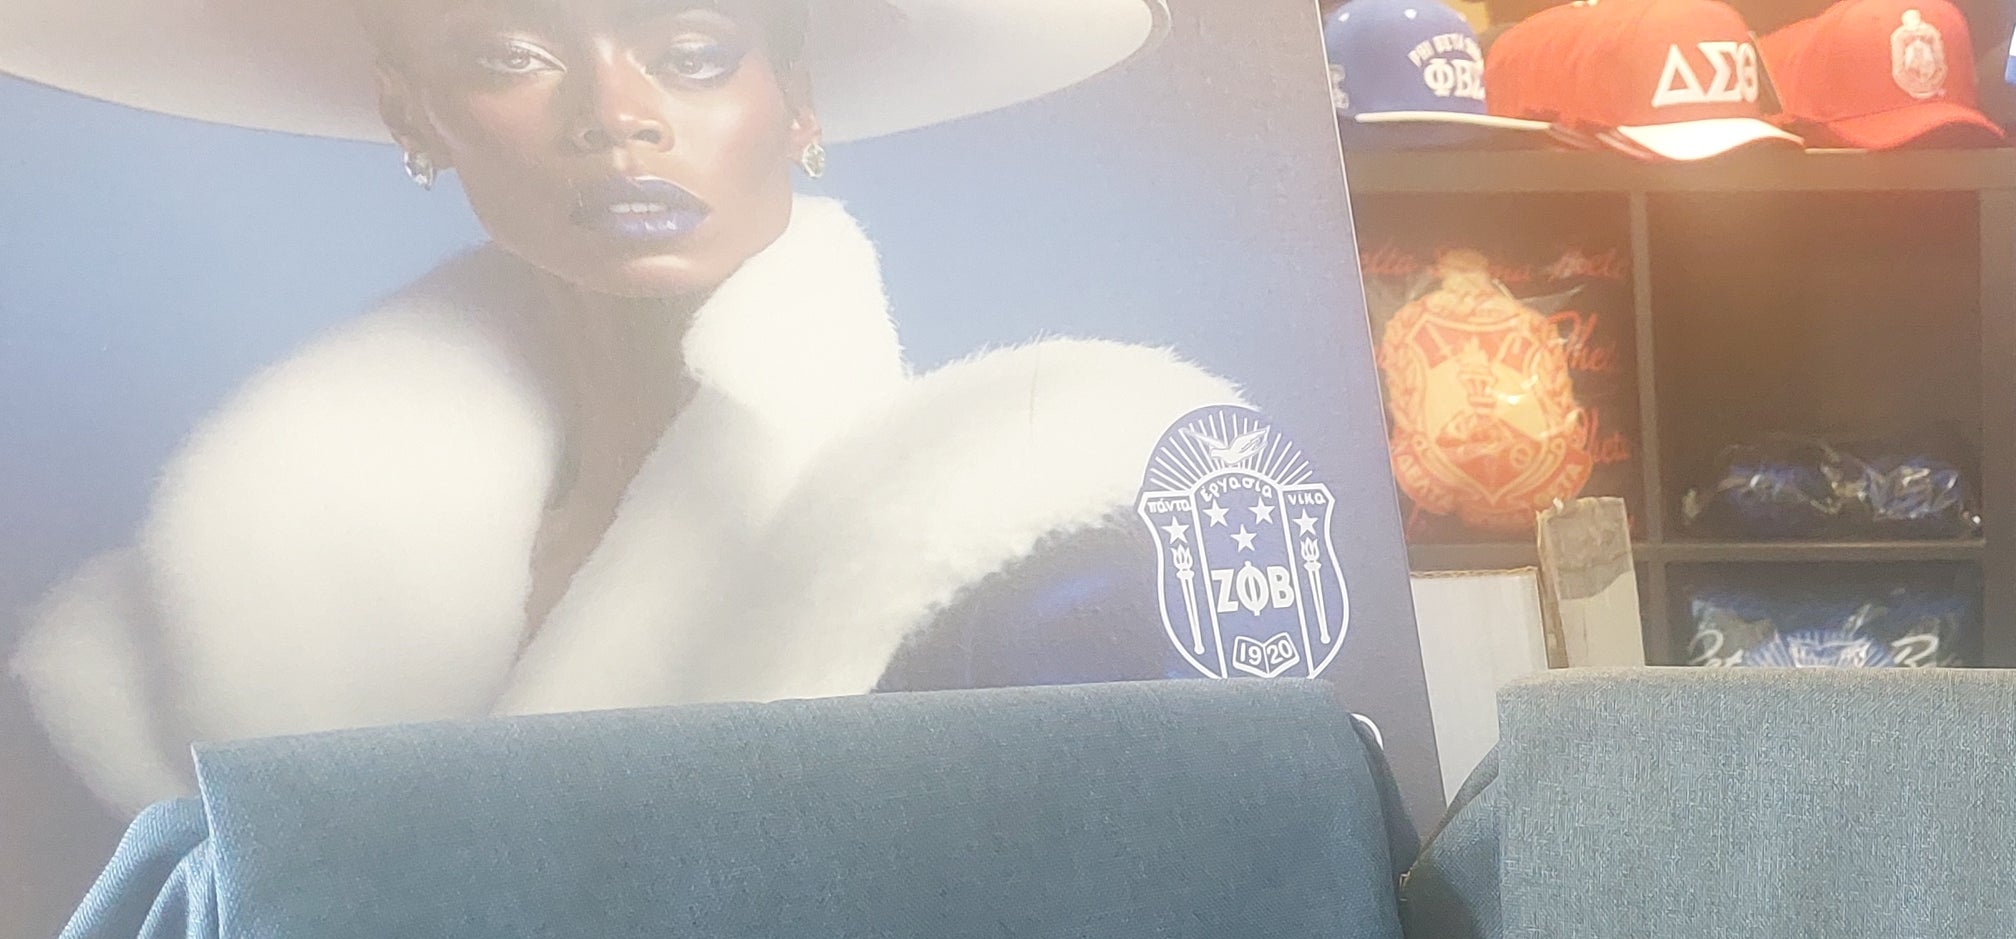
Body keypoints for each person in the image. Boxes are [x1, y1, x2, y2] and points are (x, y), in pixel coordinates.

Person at [9, 0, 1248, 812]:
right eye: (512, 55)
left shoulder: (1032, 548)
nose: (616, 116)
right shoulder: (161, 645)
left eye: (694, 52)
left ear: (797, 98)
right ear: (410, 110)